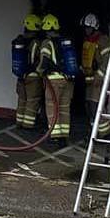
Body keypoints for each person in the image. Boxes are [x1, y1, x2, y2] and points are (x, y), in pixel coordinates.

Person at [40, 14, 76, 143]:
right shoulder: (65, 42)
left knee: (52, 107)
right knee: (64, 107)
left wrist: (39, 72)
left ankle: (54, 135)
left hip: (54, 80)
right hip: (68, 80)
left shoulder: (47, 43)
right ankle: (64, 135)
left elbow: (44, 61)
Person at [78, 12, 110, 139]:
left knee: (96, 106)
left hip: (100, 80)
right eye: (85, 28)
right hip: (90, 80)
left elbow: (108, 59)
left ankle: (105, 134)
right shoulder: (87, 40)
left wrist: (100, 74)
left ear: (95, 27)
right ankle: (93, 132)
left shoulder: (103, 40)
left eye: (88, 28)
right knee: (89, 107)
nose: (86, 30)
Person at [11, 13, 44, 131]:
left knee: (22, 99)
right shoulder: (35, 42)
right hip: (33, 76)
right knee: (32, 100)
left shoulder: (19, 41)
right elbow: (35, 59)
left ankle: (19, 122)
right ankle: (28, 124)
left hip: (20, 75)